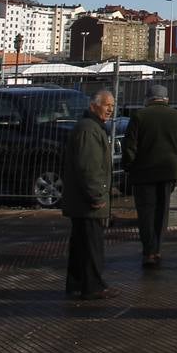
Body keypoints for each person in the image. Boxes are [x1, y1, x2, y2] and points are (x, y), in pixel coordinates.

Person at [123, 83, 177, 267]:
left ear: (148, 99)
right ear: (166, 99)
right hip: (169, 171)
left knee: (146, 212)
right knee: (162, 211)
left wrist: (129, 166)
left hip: (143, 172)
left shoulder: (139, 116)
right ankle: (158, 247)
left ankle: (149, 250)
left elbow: (130, 147)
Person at [62, 89, 117, 301]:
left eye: (112, 106)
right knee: (91, 244)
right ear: (94, 106)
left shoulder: (91, 128)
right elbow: (88, 166)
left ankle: (77, 283)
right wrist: (96, 195)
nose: (110, 110)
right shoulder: (89, 130)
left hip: (82, 198)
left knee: (81, 244)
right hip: (87, 201)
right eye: (106, 105)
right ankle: (92, 285)